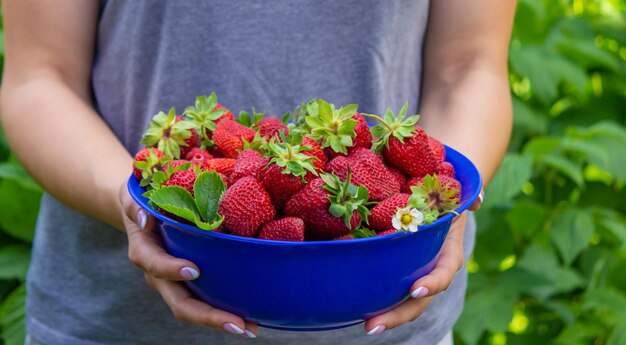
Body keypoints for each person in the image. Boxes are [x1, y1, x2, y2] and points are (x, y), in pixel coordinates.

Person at [0, 1, 515, 344]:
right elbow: (41, 77)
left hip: (390, 305)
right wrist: (140, 209)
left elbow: (469, 68)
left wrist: (444, 206)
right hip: (116, 320)